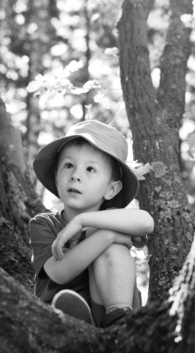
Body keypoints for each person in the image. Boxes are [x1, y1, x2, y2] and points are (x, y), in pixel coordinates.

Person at [29, 120, 154, 328]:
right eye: (69, 165)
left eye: (90, 169)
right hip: (57, 320)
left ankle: (119, 320)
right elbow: (59, 273)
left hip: (106, 314)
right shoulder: (44, 223)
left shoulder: (114, 219)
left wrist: (82, 221)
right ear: (56, 177)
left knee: (104, 231)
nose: (76, 175)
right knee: (105, 233)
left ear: (111, 190)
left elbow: (147, 222)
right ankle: (77, 322)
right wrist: (109, 236)